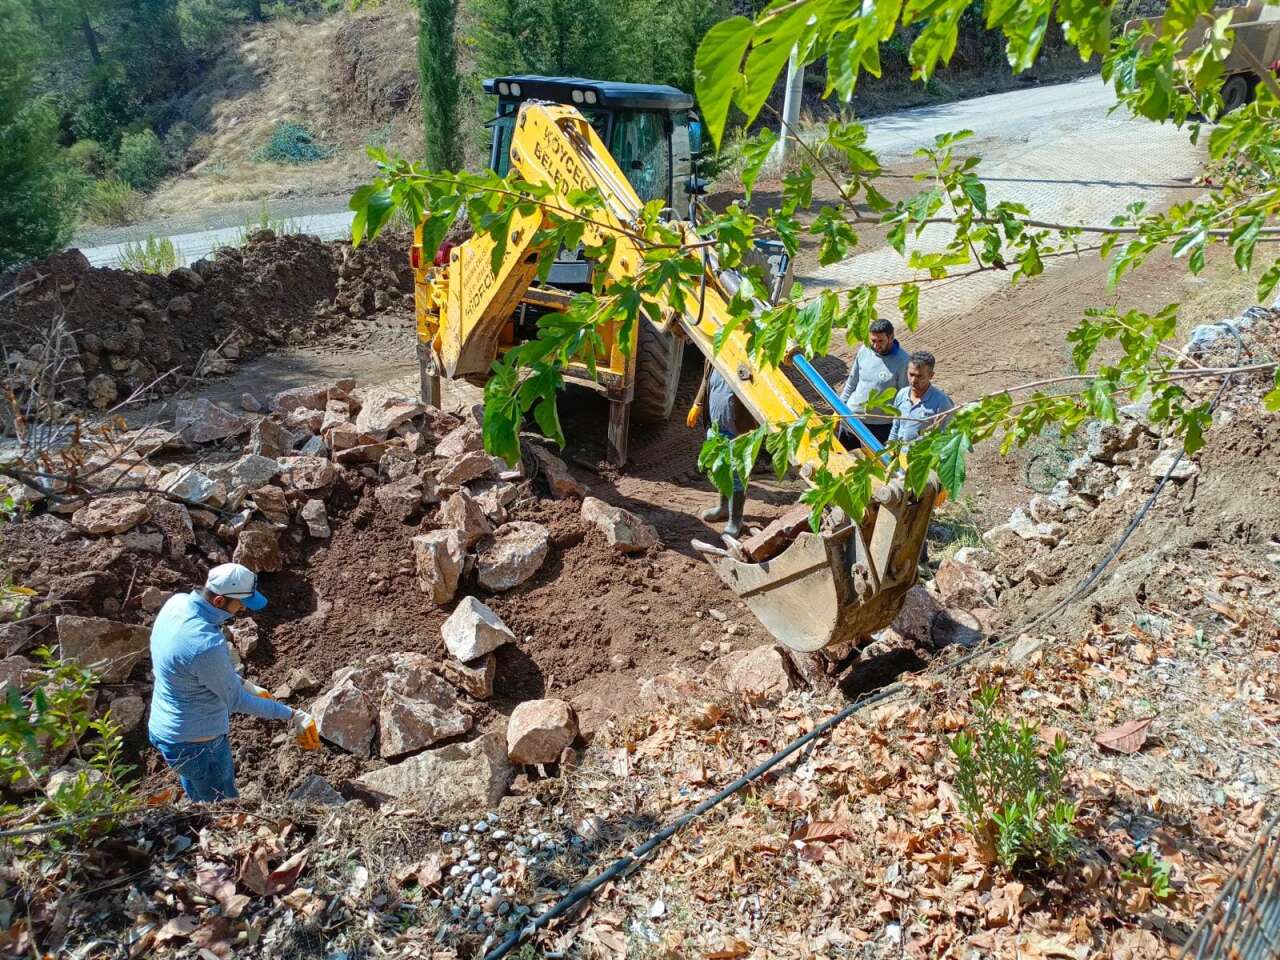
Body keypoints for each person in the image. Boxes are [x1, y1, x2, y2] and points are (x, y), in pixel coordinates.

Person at [148, 563, 318, 803]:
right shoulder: (205, 645)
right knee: (222, 804)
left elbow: (189, 669)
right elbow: (236, 701)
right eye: (241, 603)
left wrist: (248, 686)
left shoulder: (176, 604)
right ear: (219, 601)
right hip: (197, 744)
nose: (243, 609)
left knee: (197, 786)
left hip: (166, 730)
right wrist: (293, 715)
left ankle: (199, 809)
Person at [838, 318, 910, 448]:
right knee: (845, 456)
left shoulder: (903, 361)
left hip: (881, 425)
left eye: (880, 341)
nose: (876, 346)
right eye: (873, 341)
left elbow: (904, 396)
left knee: (876, 459)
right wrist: (840, 407)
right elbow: (852, 381)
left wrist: (900, 428)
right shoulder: (864, 350)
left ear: (891, 337)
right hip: (853, 416)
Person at [701, 368, 753, 538]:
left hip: (738, 431)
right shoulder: (714, 356)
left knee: (737, 476)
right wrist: (697, 404)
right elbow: (705, 381)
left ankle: (736, 520)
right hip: (715, 427)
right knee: (720, 469)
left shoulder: (749, 359)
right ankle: (723, 507)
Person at [887, 350, 954, 447]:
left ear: (931, 375)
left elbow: (944, 439)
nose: (914, 380)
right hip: (900, 454)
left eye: (919, 376)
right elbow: (896, 428)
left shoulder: (942, 403)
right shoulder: (902, 394)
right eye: (911, 374)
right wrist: (889, 450)